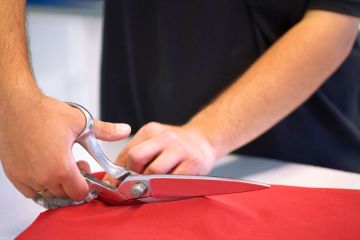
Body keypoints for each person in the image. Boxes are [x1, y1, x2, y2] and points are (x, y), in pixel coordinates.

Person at [0, 0, 359, 201]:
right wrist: (14, 101)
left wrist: (207, 135)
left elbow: (336, 19)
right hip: (139, 154)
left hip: (302, 163)